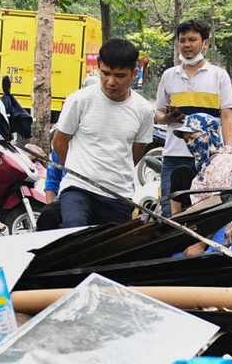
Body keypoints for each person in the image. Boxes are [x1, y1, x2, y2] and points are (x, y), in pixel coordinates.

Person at [53, 37, 156, 227]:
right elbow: (59, 143)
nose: (111, 82)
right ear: (98, 66)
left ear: (134, 73)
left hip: (118, 194)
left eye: (119, 76)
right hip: (78, 188)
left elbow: (135, 154)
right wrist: (78, 170)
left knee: (116, 243)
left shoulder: (144, 110)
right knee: (74, 228)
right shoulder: (79, 100)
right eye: (105, 73)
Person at [154, 17, 232, 203]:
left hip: (209, 158)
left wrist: (227, 152)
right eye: (182, 40)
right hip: (173, 156)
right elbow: (158, 113)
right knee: (170, 211)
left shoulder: (219, 76)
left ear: (205, 43)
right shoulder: (169, 75)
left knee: (205, 210)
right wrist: (167, 118)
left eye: (192, 39)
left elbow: (227, 116)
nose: (186, 45)